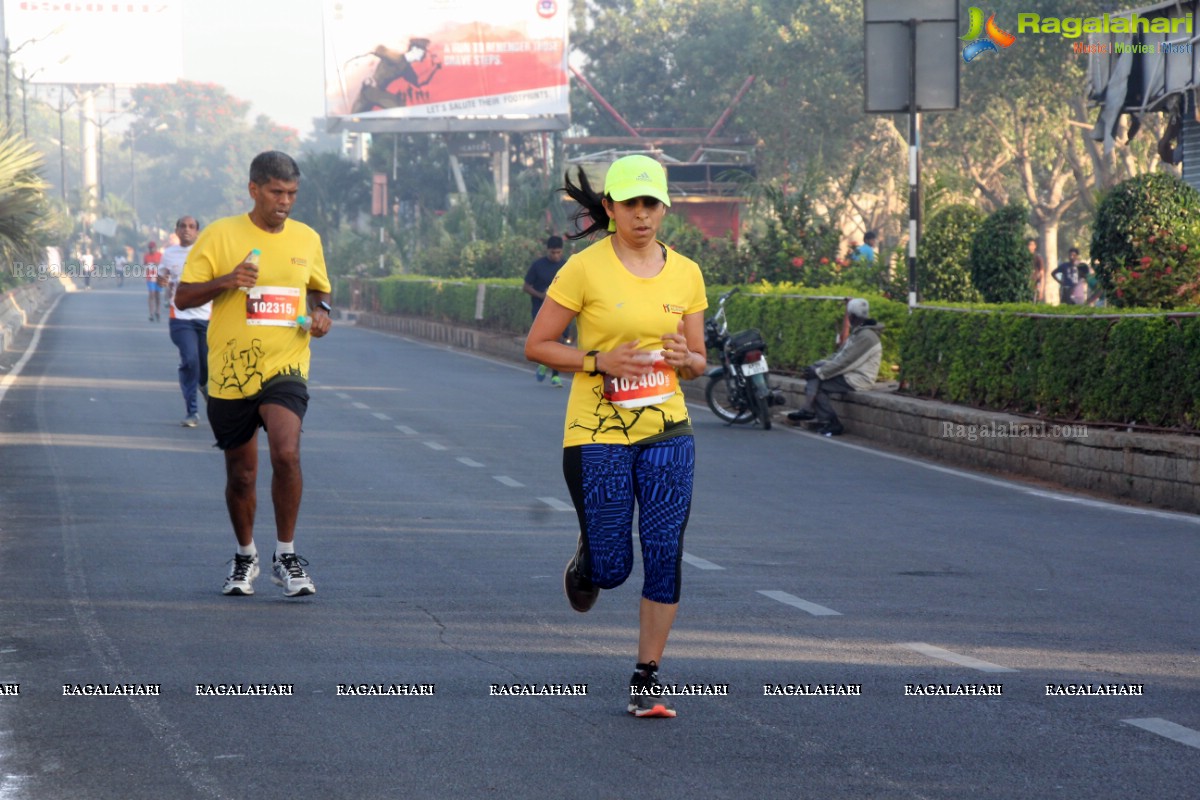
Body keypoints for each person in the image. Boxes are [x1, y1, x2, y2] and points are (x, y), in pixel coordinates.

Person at [524, 154, 708, 719]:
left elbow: (698, 361)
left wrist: (687, 359)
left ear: (664, 208)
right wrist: (598, 359)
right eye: (630, 203)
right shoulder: (583, 268)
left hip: (667, 430)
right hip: (597, 429)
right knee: (612, 566)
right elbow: (538, 345)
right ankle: (587, 565)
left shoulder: (687, 273)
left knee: (663, 550)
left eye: (651, 203)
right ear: (609, 208)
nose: (642, 215)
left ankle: (646, 675)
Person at [174, 151, 333, 599]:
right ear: (254, 190)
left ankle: (287, 554)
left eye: (292, 194)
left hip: (286, 365)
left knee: (286, 453)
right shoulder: (221, 235)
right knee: (241, 473)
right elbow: (183, 297)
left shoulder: (306, 238)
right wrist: (227, 280)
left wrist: (322, 313)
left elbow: (319, 289)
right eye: (277, 192)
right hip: (229, 373)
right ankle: (246, 556)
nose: (285, 202)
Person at [786, 298, 884, 436]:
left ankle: (829, 421)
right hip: (850, 373)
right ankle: (808, 411)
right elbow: (839, 356)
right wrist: (818, 366)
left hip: (858, 378)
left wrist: (819, 372)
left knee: (819, 385)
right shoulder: (860, 332)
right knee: (815, 371)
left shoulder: (866, 336)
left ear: (852, 316)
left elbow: (846, 362)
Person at [159, 216, 208, 428]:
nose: (187, 230)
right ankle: (192, 411)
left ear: (198, 231)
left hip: (207, 317)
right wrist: (162, 281)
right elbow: (162, 276)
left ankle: (204, 384)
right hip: (180, 317)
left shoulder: (208, 252)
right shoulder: (169, 254)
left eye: (191, 227)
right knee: (190, 360)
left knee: (205, 367)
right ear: (176, 231)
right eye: (182, 226)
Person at [523, 235, 567, 387]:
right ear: (548, 251)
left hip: (561, 309)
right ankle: (544, 363)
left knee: (560, 341)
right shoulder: (538, 266)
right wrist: (541, 295)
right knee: (547, 339)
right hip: (540, 308)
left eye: (558, 252)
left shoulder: (567, 266)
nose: (556, 256)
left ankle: (554, 375)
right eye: (553, 252)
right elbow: (526, 286)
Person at [144, 241, 163, 321]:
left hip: (159, 277)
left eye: (152, 248)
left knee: (157, 295)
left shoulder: (160, 255)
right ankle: (151, 313)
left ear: (155, 248)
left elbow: (163, 265)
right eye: (150, 248)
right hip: (150, 277)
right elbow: (145, 265)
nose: (151, 249)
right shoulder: (146, 256)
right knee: (151, 294)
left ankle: (158, 311)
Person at [1028, 238, 1045, 302]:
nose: (1030, 247)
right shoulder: (1023, 257)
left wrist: (1041, 291)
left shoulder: (1038, 258)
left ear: (1035, 246)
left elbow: (1042, 275)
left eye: (1032, 245)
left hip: (1035, 286)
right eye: (1029, 245)